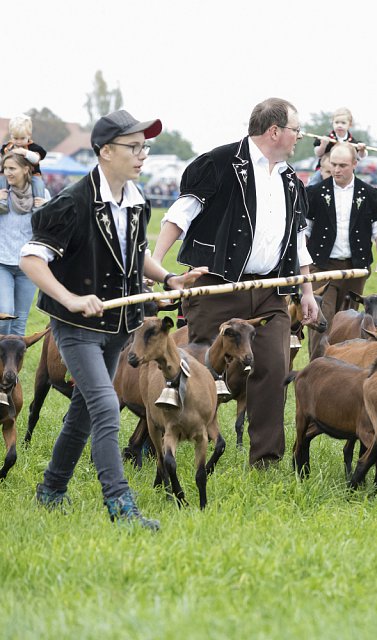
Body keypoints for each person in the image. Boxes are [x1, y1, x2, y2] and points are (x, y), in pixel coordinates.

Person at [21, 110, 204, 529]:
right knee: (106, 405)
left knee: (85, 410)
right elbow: (31, 258)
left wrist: (169, 277)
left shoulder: (136, 201)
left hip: (115, 327)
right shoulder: (73, 201)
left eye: (146, 147)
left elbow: (134, 255)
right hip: (75, 327)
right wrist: (70, 298)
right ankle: (121, 505)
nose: (142, 155)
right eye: (134, 147)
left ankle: (51, 489)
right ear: (106, 151)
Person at [152, 98, 318, 468]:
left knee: (273, 369)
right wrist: (156, 267)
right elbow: (180, 214)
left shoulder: (292, 181)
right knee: (194, 367)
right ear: (274, 131)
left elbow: (299, 241)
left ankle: (266, 459)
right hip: (217, 288)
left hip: (270, 293)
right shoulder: (219, 163)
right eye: (296, 130)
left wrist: (307, 292)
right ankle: (162, 438)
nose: (299, 137)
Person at [304, 142, 377, 329]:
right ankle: (319, 358)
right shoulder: (314, 193)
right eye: (333, 164)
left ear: (354, 164)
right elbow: (304, 231)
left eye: (342, 165)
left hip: (357, 267)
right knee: (322, 322)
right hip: (322, 266)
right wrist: (302, 263)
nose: (336, 169)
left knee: (349, 323)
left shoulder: (371, 195)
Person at [0, 153, 51, 335]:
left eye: (12, 168)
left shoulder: (42, 194)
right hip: (2, 263)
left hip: (29, 265)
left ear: (26, 169)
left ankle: (11, 364)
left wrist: (47, 208)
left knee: (20, 322)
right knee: (5, 316)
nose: (7, 172)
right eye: (5, 168)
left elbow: (52, 228)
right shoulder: (2, 194)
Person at [0, 115, 47, 198]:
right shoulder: (7, 147)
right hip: (9, 174)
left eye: (22, 138)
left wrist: (25, 152)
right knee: (2, 176)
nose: (18, 142)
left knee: (38, 183)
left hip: (31, 174)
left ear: (29, 135)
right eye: (15, 138)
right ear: (11, 135)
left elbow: (36, 159)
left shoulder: (33, 147)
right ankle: (4, 197)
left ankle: (39, 202)